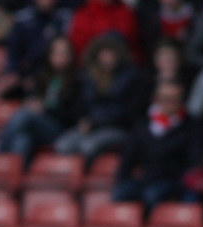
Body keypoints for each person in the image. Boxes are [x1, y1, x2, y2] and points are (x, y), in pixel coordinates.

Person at [113, 78, 202, 212]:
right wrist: (123, 180)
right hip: (146, 179)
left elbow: (193, 165)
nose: (170, 103)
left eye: (175, 99)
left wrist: (179, 186)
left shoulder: (192, 127)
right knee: (121, 193)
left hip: (173, 183)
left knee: (152, 195)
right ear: (156, 99)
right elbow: (128, 159)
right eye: (165, 98)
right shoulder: (143, 125)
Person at [54, 33, 141, 165]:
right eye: (104, 52)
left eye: (112, 52)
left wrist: (95, 122)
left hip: (117, 128)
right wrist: (82, 120)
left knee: (88, 146)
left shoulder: (132, 78)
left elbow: (128, 113)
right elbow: (79, 106)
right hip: (90, 126)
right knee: (62, 145)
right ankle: (67, 180)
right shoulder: (87, 77)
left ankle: (86, 182)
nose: (108, 57)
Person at [0, 35, 83, 169]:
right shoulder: (42, 77)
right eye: (56, 52)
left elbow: (74, 115)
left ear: (71, 55)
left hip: (60, 129)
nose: (60, 57)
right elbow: (25, 96)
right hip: (38, 125)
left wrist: (45, 108)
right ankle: (12, 176)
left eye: (64, 53)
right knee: (23, 139)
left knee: (24, 115)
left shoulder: (78, 81)